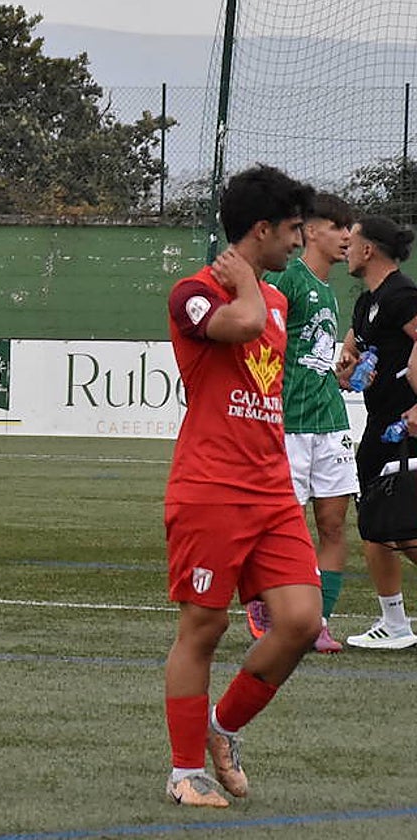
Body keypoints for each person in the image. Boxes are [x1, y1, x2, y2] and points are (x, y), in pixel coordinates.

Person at [163, 165, 320, 808]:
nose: (299, 241)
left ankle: (223, 728)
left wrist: (256, 285)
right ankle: (184, 773)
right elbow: (245, 325)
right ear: (261, 229)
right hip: (211, 488)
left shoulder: (278, 299)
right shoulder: (193, 293)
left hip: (271, 489)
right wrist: (249, 284)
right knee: (204, 627)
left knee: (302, 621)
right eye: (292, 229)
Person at [245, 194, 357, 653]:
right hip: (288, 425)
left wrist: (339, 370)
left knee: (333, 525)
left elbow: (310, 354)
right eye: (338, 227)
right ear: (311, 231)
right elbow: (258, 340)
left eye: (349, 228)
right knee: (281, 528)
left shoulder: (328, 290)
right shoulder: (286, 279)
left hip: (331, 421)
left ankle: (318, 623)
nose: (347, 236)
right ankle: (264, 599)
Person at [341, 216, 417, 650]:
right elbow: (352, 354)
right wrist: (348, 367)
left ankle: (395, 624)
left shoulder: (401, 295)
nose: (345, 249)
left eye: (351, 242)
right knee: (381, 525)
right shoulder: (367, 302)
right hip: (379, 425)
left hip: (404, 427)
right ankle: (395, 624)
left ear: (368, 250)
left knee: (398, 526)